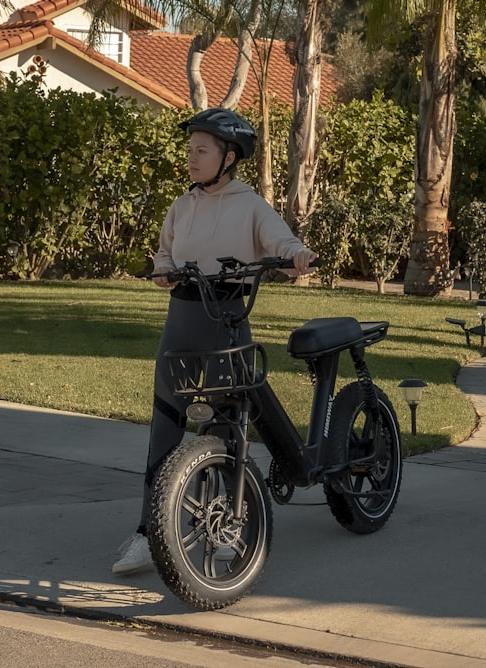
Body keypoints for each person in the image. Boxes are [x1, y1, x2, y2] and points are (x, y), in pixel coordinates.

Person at [112, 108, 317, 575]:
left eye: (201, 151)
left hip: (227, 322)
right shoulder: (182, 205)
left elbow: (280, 241)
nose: (192, 158)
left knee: (227, 429)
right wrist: (162, 269)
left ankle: (227, 528)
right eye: (190, 150)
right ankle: (148, 533)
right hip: (180, 322)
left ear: (229, 157)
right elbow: (165, 251)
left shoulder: (250, 205)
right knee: (164, 429)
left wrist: (297, 254)